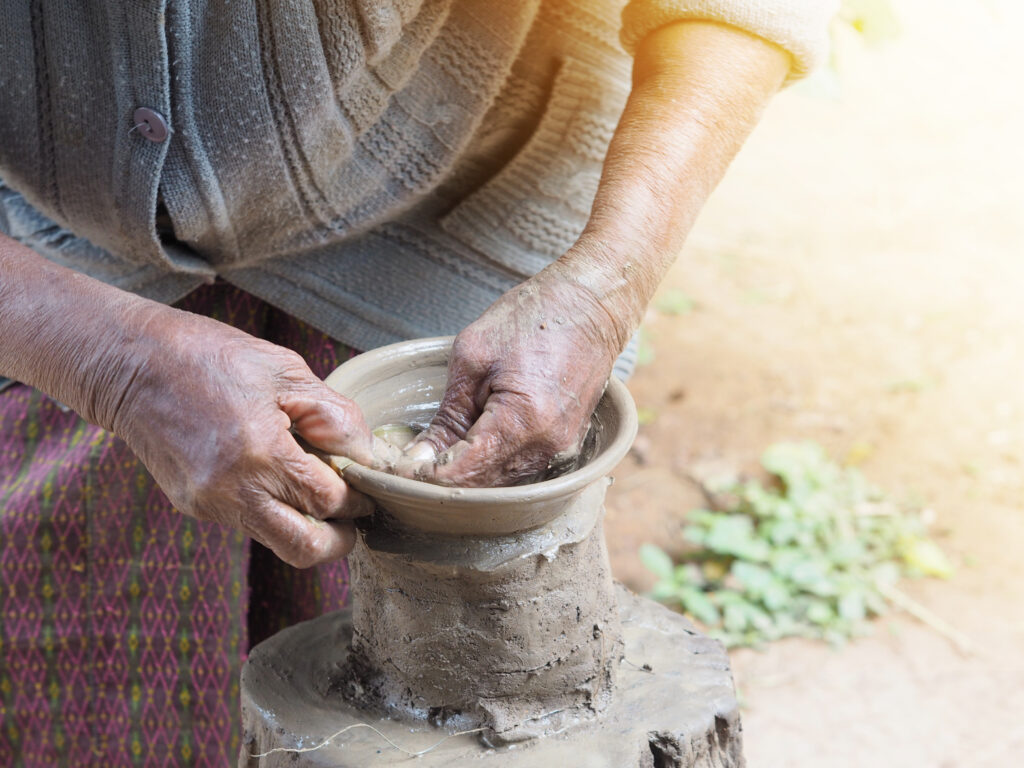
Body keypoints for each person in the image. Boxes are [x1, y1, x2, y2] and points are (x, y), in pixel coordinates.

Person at [0, 0, 835, 764]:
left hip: (478, 226)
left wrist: (606, 283)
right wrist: (112, 365)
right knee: (89, 684)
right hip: (59, 284)